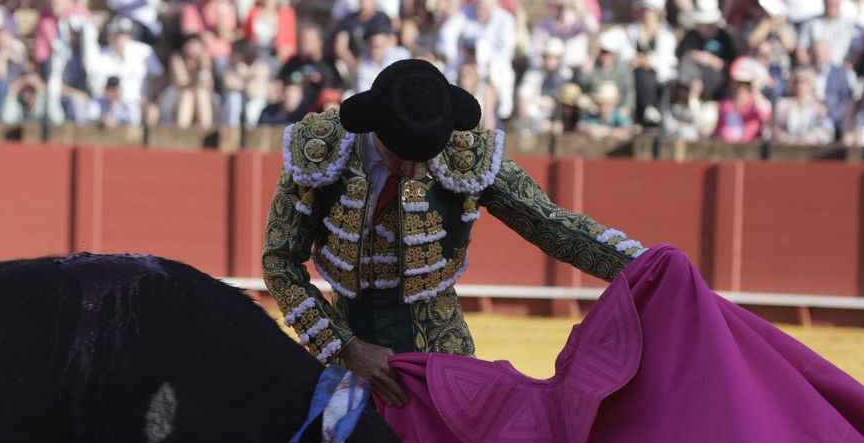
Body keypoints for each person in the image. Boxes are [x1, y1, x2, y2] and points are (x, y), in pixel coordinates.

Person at [263, 57, 644, 382]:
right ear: (373, 126)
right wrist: (347, 347)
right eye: (400, 156)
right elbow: (279, 262)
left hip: (440, 349)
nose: (412, 170)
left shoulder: (464, 149)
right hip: (348, 354)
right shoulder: (319, 149)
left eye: (424, 157)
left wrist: (646, 266)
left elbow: (552, 225)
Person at [772, 67, 835, 143]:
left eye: (805, 81)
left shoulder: (819, 107)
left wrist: (808, 138)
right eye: (796, 81)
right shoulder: (783, 105)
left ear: (812, 84)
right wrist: (785, 137)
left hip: (812, 147)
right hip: (787, 146)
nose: (800, 85)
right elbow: (773, 127)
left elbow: (827, 132)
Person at [717, 56, 772, 142]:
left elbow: (764, 116)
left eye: (744, 84)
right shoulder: (724, 104)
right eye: (736, 82)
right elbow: (718, 130)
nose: (739, 87)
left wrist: (755, 89)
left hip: (750, 147)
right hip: (726, 147)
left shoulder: (756, 103)